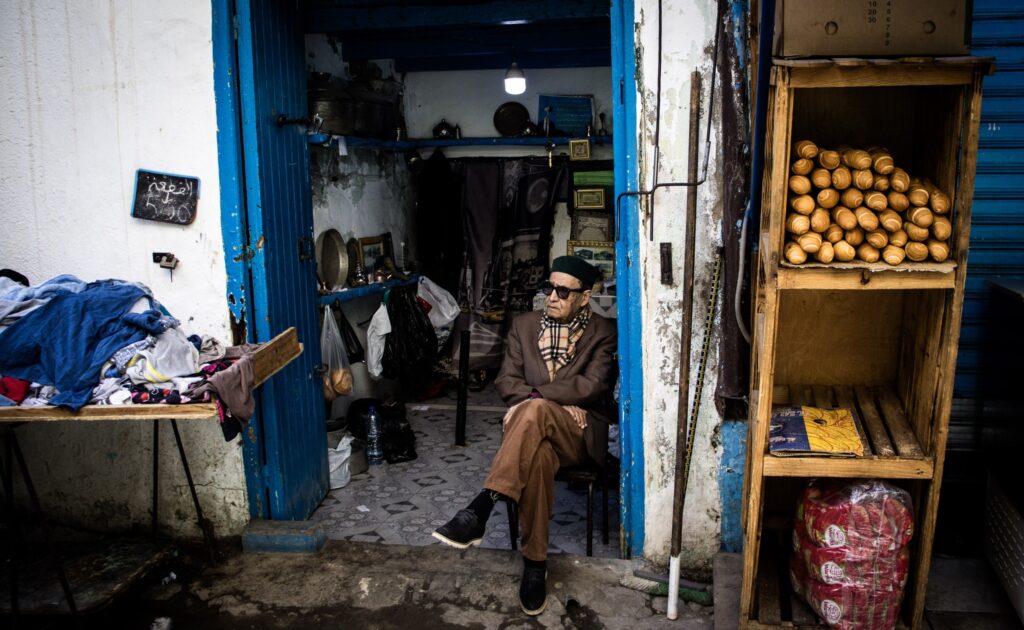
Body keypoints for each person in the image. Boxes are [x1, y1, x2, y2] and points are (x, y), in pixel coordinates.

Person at [432, 255, 617, 615]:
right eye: (550, 288)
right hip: (537, 433)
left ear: (584, 297)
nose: (552, 297)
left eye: (563, 292)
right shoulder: (524, 325)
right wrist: (550, 402)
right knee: (538, 457)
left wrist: (538, 400)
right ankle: (535, 564)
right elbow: (506, 380)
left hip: (577, 433)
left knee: (533, 410)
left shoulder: (603, 331)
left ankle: (483, 504)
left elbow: (592, 385)